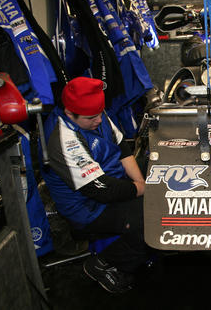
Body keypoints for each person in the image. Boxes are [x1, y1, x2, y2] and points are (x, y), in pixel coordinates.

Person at [41, 76, 148, 293]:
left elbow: (121, 147)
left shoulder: (95, 114)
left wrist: (141, 182)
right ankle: (105, 263)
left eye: (100, 113)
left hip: (113, 182)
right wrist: (142, 191)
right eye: (91, 118)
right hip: (89, 207)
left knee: (161, 169)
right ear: (70, 113)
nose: (98, 120)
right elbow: (102, 190)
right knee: (151, 219)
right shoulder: (63, 138)